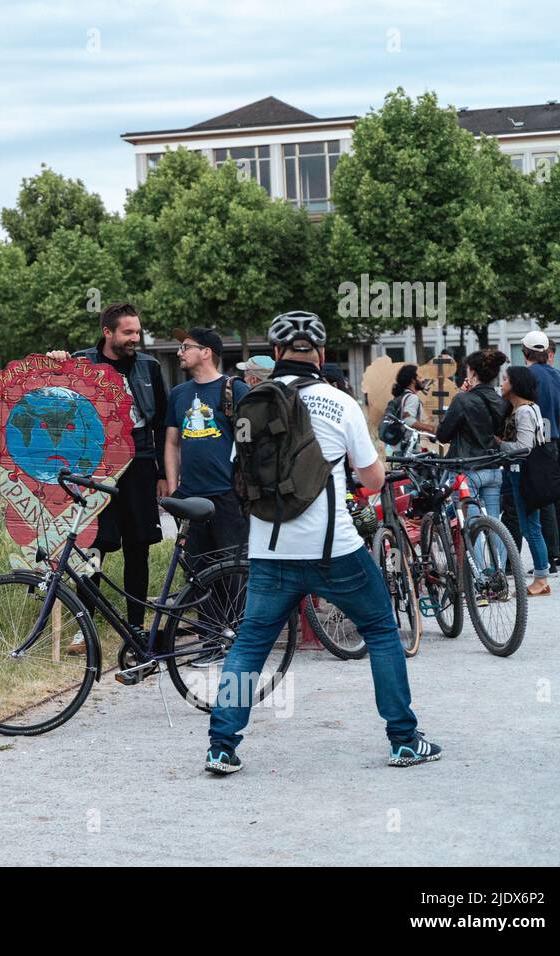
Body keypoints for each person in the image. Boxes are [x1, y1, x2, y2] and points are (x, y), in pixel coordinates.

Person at [206, 311, 440, 774]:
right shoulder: (340, 402)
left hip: (269, 551)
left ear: (275, 355)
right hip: (335, 549)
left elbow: (239, 472)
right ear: (321, 355)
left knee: (250, 644)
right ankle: (403, 739)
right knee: (379, 630)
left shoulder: (254, 403)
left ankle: (221, 745)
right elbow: (373, 479)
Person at [47, 302, 169, 632]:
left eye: (137, 332)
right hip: (96, 466)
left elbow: (160, 423)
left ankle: (136, 625)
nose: (135, 338)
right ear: (107, 332)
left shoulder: (150, 367)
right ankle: (84, 625)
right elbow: (54, 398)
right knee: (92, 545)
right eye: (128, 332)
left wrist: (161, 473)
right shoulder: (81, 363)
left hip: (140, 465)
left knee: (138, 547)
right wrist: (58, 363)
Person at [163, 327, 249, 572]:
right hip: (190, 499)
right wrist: (173, 488)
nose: (180, 352)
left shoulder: (237, 390)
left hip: (227, 498)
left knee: (233, 575)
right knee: (197, 577)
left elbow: (249, 443)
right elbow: (171, 442)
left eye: (186, 347)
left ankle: (235, 613)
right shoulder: (178, 394)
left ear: (206, 352)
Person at [435, 349, 510, 579]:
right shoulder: (501, 402)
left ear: (473, 372)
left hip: (468, 470)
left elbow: (443, 434)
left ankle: (480, 580)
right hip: (493, 469)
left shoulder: (462, 400)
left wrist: (461, 396)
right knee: (495, 524)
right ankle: (499, 576)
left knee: (472, 526)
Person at [522, 332, 560, 570]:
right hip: (557, 441)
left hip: (537, 442)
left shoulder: (528, 376)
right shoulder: (557, 375)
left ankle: (550, 556)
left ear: (525, 352)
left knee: (543, 500)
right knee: (554, 499)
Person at [497, 365, 552, 597]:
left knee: (531, 528)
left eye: (506, 379)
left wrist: (499, 444)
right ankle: (540, 577)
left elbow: (524, 447)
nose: (502, 382)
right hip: (521, 472)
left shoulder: (524, 412)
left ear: (515, 384)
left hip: (524, 472)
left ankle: (541, 579)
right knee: (529, 526)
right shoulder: (524, 408)